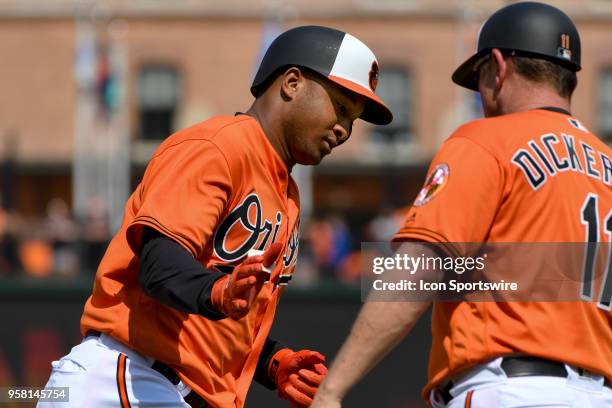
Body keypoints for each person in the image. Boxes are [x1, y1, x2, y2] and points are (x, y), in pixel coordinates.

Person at [39, 25, 392, 408]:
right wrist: (218, 292)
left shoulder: (287, 193)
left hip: (165, 388)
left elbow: (222, 318)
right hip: (127, 379)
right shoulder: (218, 146)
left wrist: (272, 362)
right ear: (292, 83)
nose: (344, 130)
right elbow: (160, 266)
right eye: (340, 107)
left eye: (353, 121)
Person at [312, 2, 611, 407]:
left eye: (481, 76)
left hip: (509, 389)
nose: (482, 93)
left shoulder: (486, 140)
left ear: (499, 67)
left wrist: (332, 390)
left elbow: (416, 271)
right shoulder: (607, 164)